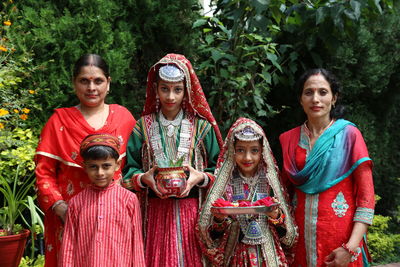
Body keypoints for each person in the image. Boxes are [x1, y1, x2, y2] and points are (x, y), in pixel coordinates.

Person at [35, 54, 136, 266]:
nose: (91, 87)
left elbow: (137, 164)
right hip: (69, 218)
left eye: (98, 81)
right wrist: (59, 206)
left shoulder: (124, 118)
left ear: (108, 83)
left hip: (113, 217)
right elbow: (44, 173)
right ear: (74, 83)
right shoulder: (58, 122)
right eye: (84, 81)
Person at [122, 53, 222, 267]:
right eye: (164, 89)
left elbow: (222, 171)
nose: (170, 96)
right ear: (155, 89)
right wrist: (145, 179)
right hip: (155, 215)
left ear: (187, 91)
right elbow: (127, 173)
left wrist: (199, 178)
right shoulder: (142, 127)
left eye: (177, 89)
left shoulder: (203, 127)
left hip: (193, 214)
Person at [279, 68, 375, 266]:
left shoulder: (349, 135)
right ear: (300, 99)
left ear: (334, 98)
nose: (315, 99)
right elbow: (282, 195)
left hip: (341, 246)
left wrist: (350, 248)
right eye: (308, 92)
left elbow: (366, 199)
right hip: (299, 245)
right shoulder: (289, 140)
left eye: (323, 92)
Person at [197, 118, 298, 266]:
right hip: (235, 256)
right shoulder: (225, 184)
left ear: (262, 151)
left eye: (254, 150)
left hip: (267, 257)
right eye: (240, 150)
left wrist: (276, 216)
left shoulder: (271, 182)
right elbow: (207, 235)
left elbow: (290, 237)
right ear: (232, 150)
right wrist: (219, 219)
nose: (247, 157)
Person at [59, 133, 145, 267]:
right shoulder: (76, 203)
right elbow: (69, 245)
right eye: (93, 166)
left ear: (117, 165)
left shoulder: (129, 199)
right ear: (84, 166)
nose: (100, 173)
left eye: (106, 166)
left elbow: (137, 243)